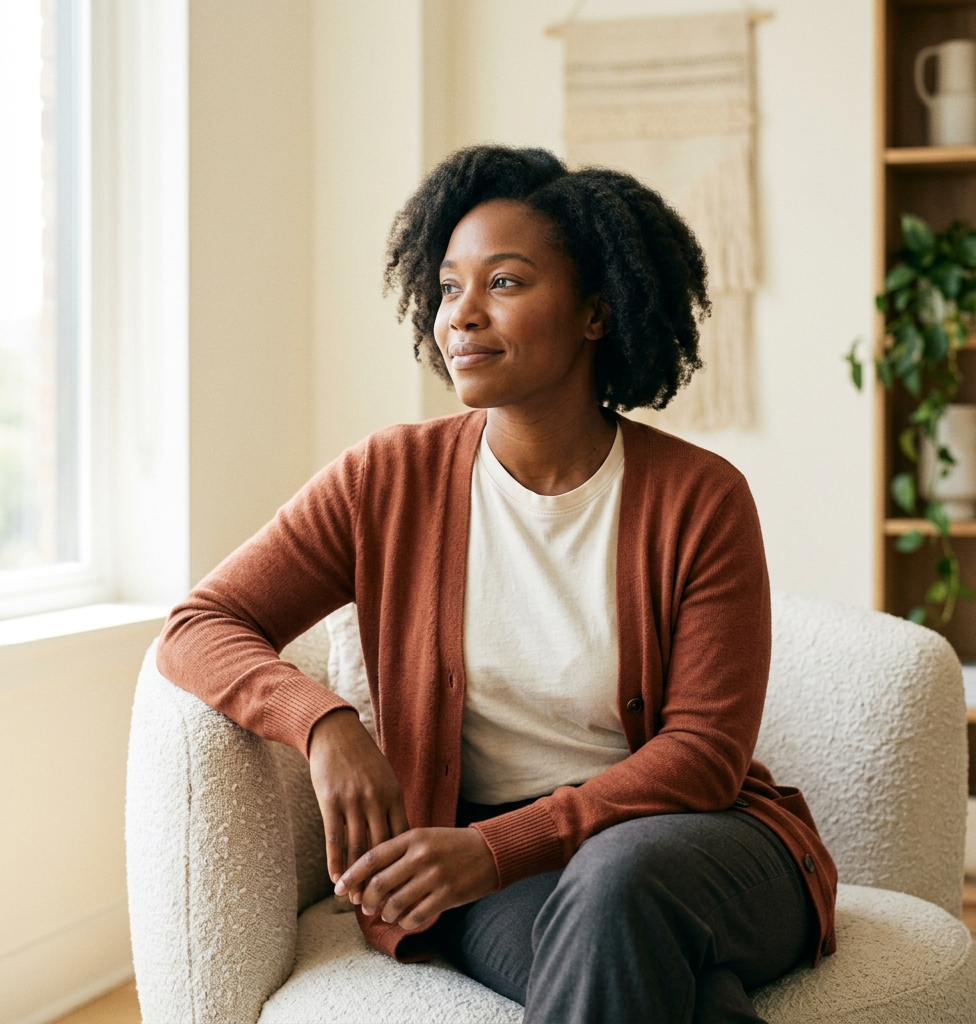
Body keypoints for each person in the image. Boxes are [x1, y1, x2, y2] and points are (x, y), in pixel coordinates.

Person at [158, 144, 837, 1023]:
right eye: (447, 288)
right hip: (491, 876)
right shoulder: (386, 479)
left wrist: (497, 846)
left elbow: (704, 756)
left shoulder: (699, 499)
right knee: (686, 999)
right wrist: (325, 725)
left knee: (620, 881)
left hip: (702, 849)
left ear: (597, 312)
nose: (462, 316)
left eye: (505, 283)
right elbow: (199, 623)